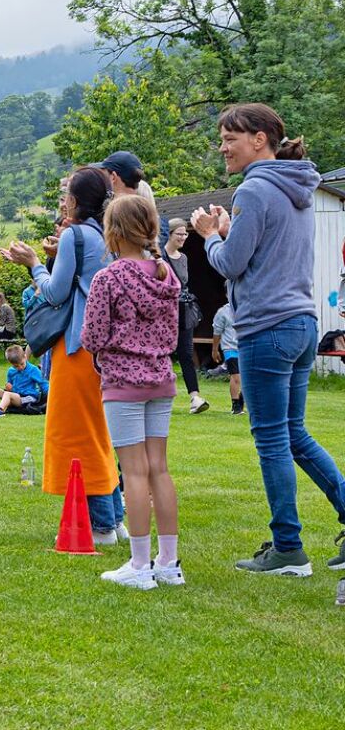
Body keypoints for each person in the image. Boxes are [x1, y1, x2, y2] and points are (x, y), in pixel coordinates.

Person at [191, 102, 345, 578]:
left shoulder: (254, 190)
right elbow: (267, 253)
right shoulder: (296, 185)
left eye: (228, 138)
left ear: (259, 139)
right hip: (301, 322)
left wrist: (211, 236)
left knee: (273, 439)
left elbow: (231, 263)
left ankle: (288, 548)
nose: (222, 147)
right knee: (294, 433)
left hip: (266, 329)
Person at [2, 166, 125, 545]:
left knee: (78, 434)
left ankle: (101, 525)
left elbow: (54, 293)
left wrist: (34, 265)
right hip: (104, 346)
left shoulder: (74, 234)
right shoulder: (105, 234)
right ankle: (116, 518)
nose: (61, 200)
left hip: (77, 344)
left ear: (75, 201)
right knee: (99, 431)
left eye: (65, 194)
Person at [82, 195, 184, 589]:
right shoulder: (166, 277)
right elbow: (174, 335)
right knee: (159, 468)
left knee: (135, 471)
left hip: (123, 383)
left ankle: (140, 565)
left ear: (114, 232)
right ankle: (168, 563)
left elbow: (91, 336)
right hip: (161, 378)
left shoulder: (107, 278)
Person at [163, 219, 209, 413]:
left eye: (185, 234)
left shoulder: (183, 258)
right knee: (163, 353)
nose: (182, 237)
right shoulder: (159, 257)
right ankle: (162, 395)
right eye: (179, 234)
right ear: (170, 234)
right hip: (164, 313)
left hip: (184, 310)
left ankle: (195, 398)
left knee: (186, 354)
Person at [211, 302, 245, 415]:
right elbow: (217, 332)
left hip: (246, 347)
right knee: (236, 376)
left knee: (247, 378)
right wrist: (214, 350)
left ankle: (242, 400)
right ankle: (235, 405)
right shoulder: (223, 312)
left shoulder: (249, 308)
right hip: (230, 348)